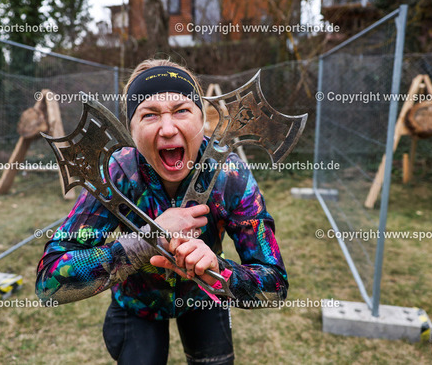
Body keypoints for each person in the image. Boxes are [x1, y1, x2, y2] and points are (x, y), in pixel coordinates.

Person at [36, 59, 288, 364]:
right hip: (137, 304)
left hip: (203, 299)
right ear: (131, 130)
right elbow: (49, 282)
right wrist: (147, 240)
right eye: (149, 115)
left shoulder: (229, 174)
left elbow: (275, 285)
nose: (168, 129)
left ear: (202, 119)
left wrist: (218, 271)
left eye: (181, 110)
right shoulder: (116, 173)